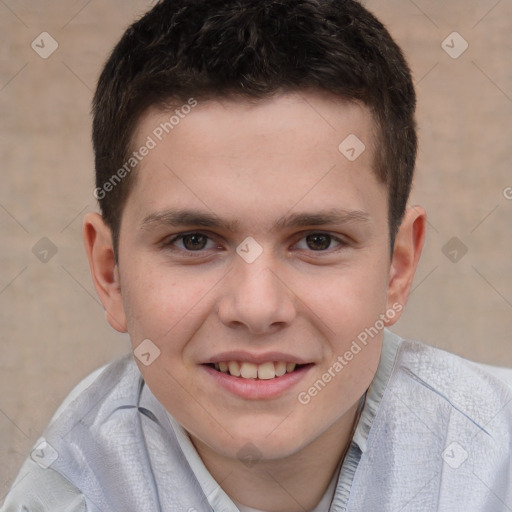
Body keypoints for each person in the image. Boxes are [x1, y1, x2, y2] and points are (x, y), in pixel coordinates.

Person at [2, 0, 511, 510]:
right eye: (194, 240)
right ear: (111, 275)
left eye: (318, 240)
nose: (257, 308)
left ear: (398, 270)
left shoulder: (495, 460)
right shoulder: (68, 493)